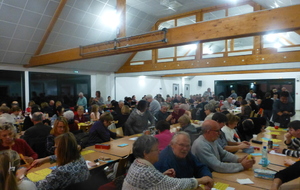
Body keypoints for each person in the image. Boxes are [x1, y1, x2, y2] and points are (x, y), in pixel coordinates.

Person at [122, 135, 214, 190]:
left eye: (187, 146)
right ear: (146, 153)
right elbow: (177, 185)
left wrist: (162, 176)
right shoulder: (147, 172)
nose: (159, 151)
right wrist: (201, 180)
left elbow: (151, 184)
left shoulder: (136, 163)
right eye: (156, 149)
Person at [18, 132, 90, 189]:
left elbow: (38, 187)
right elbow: (63, 155)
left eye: (55, 147)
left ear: (62, 150)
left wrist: (22, 176)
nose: (54, 150)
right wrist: (45, 159)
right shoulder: (79, 158)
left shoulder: (61, 171)